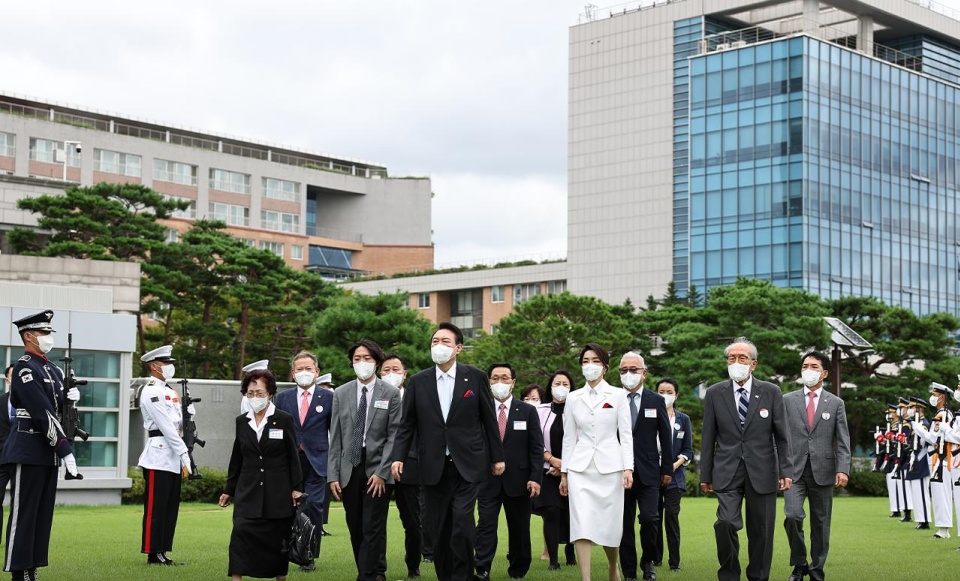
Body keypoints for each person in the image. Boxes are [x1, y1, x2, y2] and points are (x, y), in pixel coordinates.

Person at [391, 322, 505, 581]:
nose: (438, 346)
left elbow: (488, 419)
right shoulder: (419, 381)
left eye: (445, 341)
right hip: (432, 466)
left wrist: (497, 457)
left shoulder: (474, 377)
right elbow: (407, 424)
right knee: (439, 528)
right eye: (434, 341)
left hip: (468, 463)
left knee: (462, 522)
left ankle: (463, 575)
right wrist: (398, 457)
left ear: (458, 348)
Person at [700, 337, 793, 581]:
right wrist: (705, 475)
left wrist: (786, 471)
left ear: (754, 364)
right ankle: (729, 575)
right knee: (726, 523)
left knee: (761, 531)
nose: (736, 362)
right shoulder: (714, 393)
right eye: (732, 358)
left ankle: (758, 577)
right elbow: (708, 437)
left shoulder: (771, 392)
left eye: (742, 358)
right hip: (726, 469)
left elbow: (782, 436)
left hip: (763, 470)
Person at [0, 310, 80, 581]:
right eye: (43, 333)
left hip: (47, 450)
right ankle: (18, 570)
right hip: (28, 446)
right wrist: (65, 448)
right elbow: (41, 410)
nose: (48, 337)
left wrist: (72, 399)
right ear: (28, 336)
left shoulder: (53, 369)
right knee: (23, 513)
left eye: (49, 332)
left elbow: (60, 411)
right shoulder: (24, 367)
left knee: (41, 514)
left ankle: (31, 567)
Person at [219, 369, 303, 581]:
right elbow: (237, 458)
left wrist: (296, 487)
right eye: (250, 393)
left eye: (259, 392)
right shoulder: (242, 421)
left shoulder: (283, 419)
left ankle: (280, 578)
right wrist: (229, 490)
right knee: (240, 535)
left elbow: (293, 456)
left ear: (270, 393)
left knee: (277, 542)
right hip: (247, 491)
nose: (254, 397)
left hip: (278, 493)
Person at [328, 339, 402, 581]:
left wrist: (382, 473)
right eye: (358, 358)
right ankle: (370, 571)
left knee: (373, 525)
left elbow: (394, 436)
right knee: (356, 526)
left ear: (377, 362)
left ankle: (369, 575)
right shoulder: (340, 393)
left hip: (377, 469)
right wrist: (333, 475)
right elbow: (336, 437)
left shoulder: (390, 393)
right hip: (350, 467)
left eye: (368, 358)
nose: (362, 363)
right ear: (351, 362)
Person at [559, 343, 634, 581]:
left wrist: (628, 467)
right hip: (580, 468)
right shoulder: (572, 398)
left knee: (610, 525)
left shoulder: (618, 395)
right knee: (581, 523)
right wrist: (564, 472)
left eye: (595, 361)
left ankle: (613, 566)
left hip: (611, 467)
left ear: (605, 367)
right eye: (585, 361)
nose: (589, 366)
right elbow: (569, 437)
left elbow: (626, 434)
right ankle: (586, 578)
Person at [782, 351, 850, 581]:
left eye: (813, 366)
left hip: (824, 471)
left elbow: (842, 441)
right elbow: (778, 437)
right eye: (804, 366)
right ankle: (800, 564)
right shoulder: (787, 400)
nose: (808, 370)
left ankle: (817, 568)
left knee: (821, 524)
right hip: (793, 471)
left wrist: (843, 468)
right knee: (792, 516)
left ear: (825, 373)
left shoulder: (836, 403)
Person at [475, 363, 543, 581]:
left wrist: (535, 478)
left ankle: (518, 569)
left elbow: (535, 447)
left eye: (505, 378)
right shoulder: (480, 410)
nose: (500, 383)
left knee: (519, 528)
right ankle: (482, 568)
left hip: (520, 480)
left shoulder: (527, 411)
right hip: (487, 479)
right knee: (485, 525)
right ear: (489, 382)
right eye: (495, 378)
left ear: (513, 382)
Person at [274, 351, 333, 573]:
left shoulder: (328, 397)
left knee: (314, 507)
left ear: (317, 372)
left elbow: (334, 431)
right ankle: (286, 549)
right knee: (288, 508)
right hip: (289, 461)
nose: (304, 373)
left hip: (317, 460)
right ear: (292, 373)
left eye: (309, 369)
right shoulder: (282, 398)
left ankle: (308, 555)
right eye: (300, 369)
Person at [617, 352, 672, 581]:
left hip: (649, 472)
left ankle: (648, 561)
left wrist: (667, 469)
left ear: (644, 373)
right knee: (623, 525)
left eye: (634, 369)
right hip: (619, 472)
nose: (629, 374)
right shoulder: (613, 399)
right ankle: (629, 572)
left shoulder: (655, 400)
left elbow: (665, 436)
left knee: (650, 519)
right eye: (624, 370)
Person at [137, 344, 192, 566]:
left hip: (173, 455)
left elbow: (177, 424)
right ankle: (152, 552)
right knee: (156, 508)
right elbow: (166, 427)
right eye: (166, 363)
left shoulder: (170, 391)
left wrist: (188, 416)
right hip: (158, 454)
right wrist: (184, 453)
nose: (170, 367)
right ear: (154, 366)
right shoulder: (151, 390)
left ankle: (163, 551)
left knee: (170, 508)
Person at [381, 355, 429, 576]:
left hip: (409, 467)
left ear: (404, 373)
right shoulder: (373, 398)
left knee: (412, 522)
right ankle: (377, 568)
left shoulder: (417, 396)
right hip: (377, 467)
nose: (391, 373)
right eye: (386, 369)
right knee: (375, 523)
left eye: (396, 369)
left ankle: (413, 565)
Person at [533, 371, 577, 570]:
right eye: (557, 383)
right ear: (550, 387)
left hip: (575, 471)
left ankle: (571, 553)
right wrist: (552, 460)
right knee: (552, 512)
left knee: (571, 514)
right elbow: (534, 441)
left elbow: (585, 441)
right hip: (547, 471)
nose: (561, 387)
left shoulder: (579, 410)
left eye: (565, 383)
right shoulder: (540, 411)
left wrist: (565, 467)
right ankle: (553, 561)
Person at [654, 378, 693, 573]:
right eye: (661, 391)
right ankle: (656, 558)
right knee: (654, 518)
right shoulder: (650, 416)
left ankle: (674, 562)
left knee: (671, 517)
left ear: (676, 395)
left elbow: (688, 450)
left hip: (674, 477)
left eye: (669, 392)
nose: (665, 395)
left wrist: (672, 466)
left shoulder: (683, 419)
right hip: (652, 476)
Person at [913, 383, 955, 539]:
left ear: (942, 397)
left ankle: (944, 530)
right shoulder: (942, 413)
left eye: (935, 394)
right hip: (939, 458)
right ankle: (942, 528)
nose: (932, 397)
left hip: (941, 458)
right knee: (938, 494)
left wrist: (919, 428)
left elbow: (932, 438)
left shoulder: (942, 414)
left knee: (941, 494)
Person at [904, 397, 932, 531]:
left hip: (921, 460)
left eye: (911, 408)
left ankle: (925, 520)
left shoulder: (924, 424)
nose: (908, 410)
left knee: (921, 491)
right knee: (916, 492)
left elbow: (924, 442)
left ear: (918, 409)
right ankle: (920, 519)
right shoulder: (916, 423)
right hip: (915, 460)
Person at [316, 373, 335, 537]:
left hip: (328, 452)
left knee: (324, 492)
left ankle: (321, 524)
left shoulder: (330, 401)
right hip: (316, 452)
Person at [0, 365, 14, 538]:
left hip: (23, 460)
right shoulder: (1, 401)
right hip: (1, 459)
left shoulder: (31, 404)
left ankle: (16, 542)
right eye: (13, 375)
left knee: (20, 504)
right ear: (7, 380)